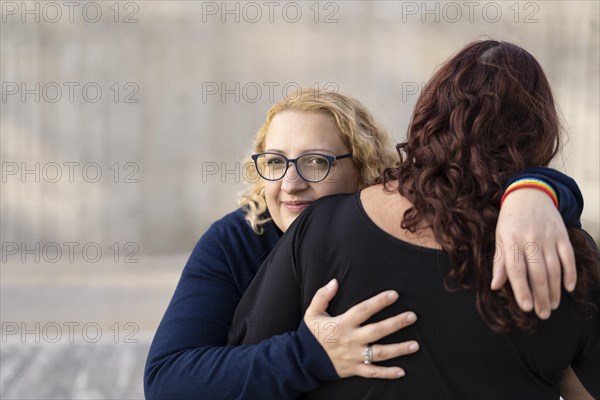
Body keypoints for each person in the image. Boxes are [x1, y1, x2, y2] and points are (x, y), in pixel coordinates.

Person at [145, 88, 585, 399]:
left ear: (367, 168)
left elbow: (471, 183)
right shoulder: (237, 239)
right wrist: (305, 356)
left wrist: (537, 188)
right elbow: (168, 380)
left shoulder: (387, 231)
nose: (291, 183)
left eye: (316, 162)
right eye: (275, 162)